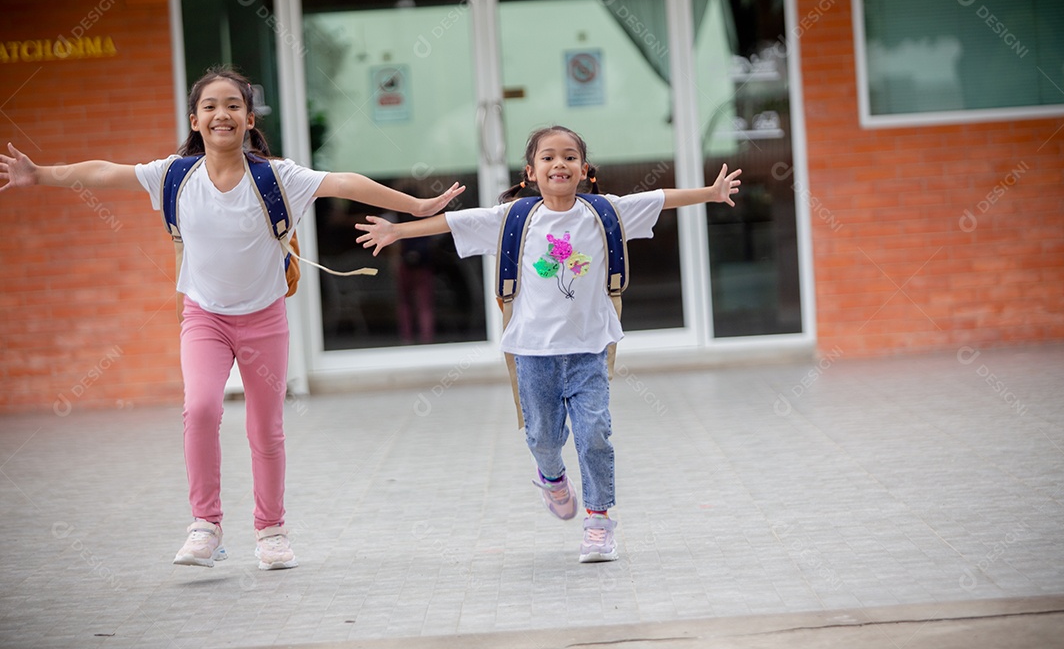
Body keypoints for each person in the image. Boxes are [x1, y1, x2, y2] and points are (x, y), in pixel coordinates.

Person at [0, 67, 464, 571]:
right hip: (204, 318)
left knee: (266, 430)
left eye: (233, 105)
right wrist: (39, 174)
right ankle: (206, 526)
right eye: (210, 106)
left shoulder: (277, 176)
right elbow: (104, 171)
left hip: (264, 319)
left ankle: (271, 530)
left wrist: (416, 206)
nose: (222, 114)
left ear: (248, 118)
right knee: (200, 409)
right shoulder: (174, 174)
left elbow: (345, 182)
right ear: (195, 119)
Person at [355, 125, 740, 562]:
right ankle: (553, 478)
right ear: (531, 172)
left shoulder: (604, 213)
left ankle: (598, 522)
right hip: (533, 354)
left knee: (595, 433)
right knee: (541, 438)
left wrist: (710, 193)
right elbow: (453, 222)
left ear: (584, 170)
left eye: (570, 157)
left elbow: (660, 198)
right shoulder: (515, 218)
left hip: (589, 350)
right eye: (549, 157)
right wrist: (397, 233)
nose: (560, 163)